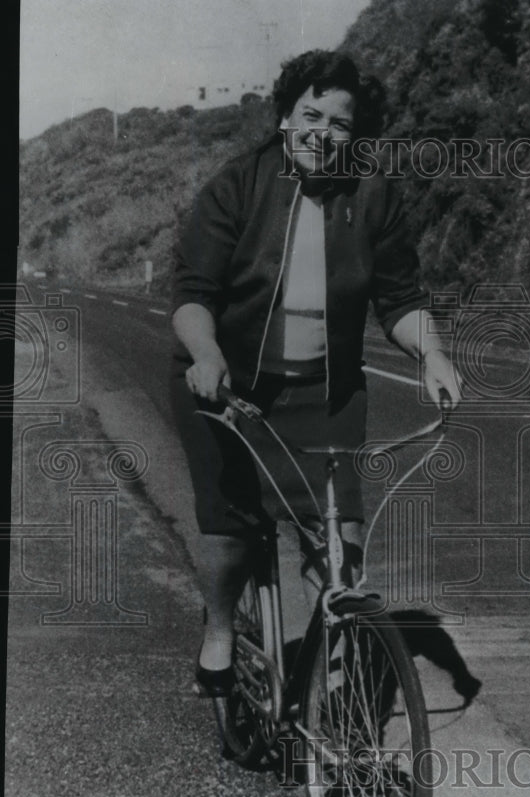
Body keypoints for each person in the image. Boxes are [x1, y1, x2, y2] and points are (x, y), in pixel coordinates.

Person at [170, 50, 461, 697]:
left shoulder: (373, 194)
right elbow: (191, 292)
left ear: (353, 136)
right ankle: (219, 630)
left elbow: (400, 299)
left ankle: (333, 683)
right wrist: (207, 355)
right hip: (226, 384)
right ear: (284, 116)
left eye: (338, 123)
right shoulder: (238, 183)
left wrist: (432, 353)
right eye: (309, 114)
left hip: (321, 391)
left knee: (338, 546)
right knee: (234, 532)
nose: (320, 133)